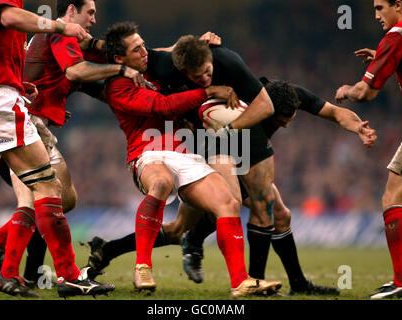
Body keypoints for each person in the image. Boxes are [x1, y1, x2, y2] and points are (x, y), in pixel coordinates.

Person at [87, 77, 376, 296]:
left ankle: (297, 283)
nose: (286, 126)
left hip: (239, 156)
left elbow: (337, 113)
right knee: (238, 208)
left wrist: (357, 127)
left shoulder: (289, 96)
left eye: (290, 120)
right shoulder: (234, 111)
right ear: (265, 111)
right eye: (281, 121)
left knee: (277, 214)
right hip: (210, 156)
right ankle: (248, 276)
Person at [102, 21, 282, 297]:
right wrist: (208, 91)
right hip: (147, 151)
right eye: (137, 49)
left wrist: (196, 44)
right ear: (119, 59)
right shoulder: (117, 86)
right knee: (160, 183)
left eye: (143, 45)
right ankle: (142, 266)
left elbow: (170, 52)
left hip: (185, 151)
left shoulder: (155, 65)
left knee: (228, 202)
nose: (144, 52)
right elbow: (162, 106)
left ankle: (241, 281)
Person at [0, 0, 146, 290]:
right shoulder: (56, 31)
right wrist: (59, 26)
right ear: (70, 9)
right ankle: (62, 275)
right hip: (2, 106)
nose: (92, 19)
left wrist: (19, 83)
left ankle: (5, 254)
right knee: (45, 189)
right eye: (89, 13)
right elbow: (74, 69)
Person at [335, 0, 402, 299]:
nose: (376, 15)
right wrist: (387, 60)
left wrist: (346, 90)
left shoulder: (399, 34)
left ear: (399, 5)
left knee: (393, 197)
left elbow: (366, 93)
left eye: (380, 7)